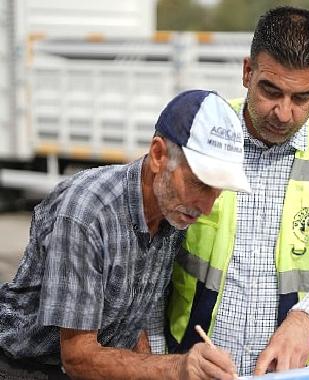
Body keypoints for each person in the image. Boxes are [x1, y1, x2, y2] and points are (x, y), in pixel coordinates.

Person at [154, 6, 309, 377]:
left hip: (292, 373)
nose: (283, 113)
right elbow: (149, 255)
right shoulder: (202, 131)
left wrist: (307, 319)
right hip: (191, 369)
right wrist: (163, 363)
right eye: (270, 91)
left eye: (302, 97)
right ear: (247, 72)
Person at [0, 90, 250, 379]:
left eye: (217, 192)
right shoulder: (88, 213)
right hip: (23, 367)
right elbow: (77, 358)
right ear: (158, 155)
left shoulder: (171, 211)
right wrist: (177, 368)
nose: (206, 207)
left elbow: (131, 323)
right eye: (200, 184)